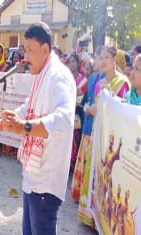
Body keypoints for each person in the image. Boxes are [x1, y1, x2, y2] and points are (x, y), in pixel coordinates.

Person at [0, 22, 76, 235]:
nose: (25, 57)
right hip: (32, 176)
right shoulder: (42, 75)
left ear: (45, 50)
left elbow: (64, 120)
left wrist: (25, 127)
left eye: (30, 50)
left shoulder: (59, 76)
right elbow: (27, 108)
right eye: (25, 50)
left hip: (46, 183)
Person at [76, 44, 130, 228]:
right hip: (97, 134)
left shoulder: (122, 83)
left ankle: (106, 221)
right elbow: (95, 106)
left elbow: (123, 109)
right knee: (94, 173)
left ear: (115, 59)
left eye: (107, 57)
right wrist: (91, 110)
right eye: (102, 57)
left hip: (113, 138)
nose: (104, 61)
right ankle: (91, 215)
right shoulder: (99, 83)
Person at [71, 49, 103, 202]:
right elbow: (78, 91)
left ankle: (90, 201)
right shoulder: (92, 79)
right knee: (84, 161)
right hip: (87, 125)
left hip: (97, 128)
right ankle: (82, 197)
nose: (93, 62)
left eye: (96, 59)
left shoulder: (107, 80)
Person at [68, 54, 86, 172]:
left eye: (74, 61)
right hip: (67, 112)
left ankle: (73, 166)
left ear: (78, 63)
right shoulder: (67, 77)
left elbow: (81, 97)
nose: (72, 64)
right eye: (70, 61)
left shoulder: (83, 79)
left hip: (78, 113)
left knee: (76, 140)